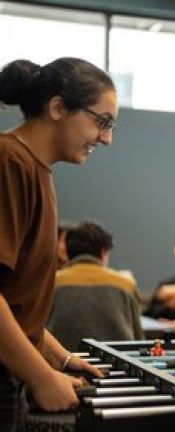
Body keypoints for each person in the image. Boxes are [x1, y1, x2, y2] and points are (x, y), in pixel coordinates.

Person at [0, 57, 113, 429]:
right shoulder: (9, 161)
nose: (107, 138)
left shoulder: (36, 169)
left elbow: (16, 299)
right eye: (102, 122)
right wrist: (42, 377)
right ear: (58, 107)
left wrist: (58, 356)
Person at [48, 220, 143, 351]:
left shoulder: (52, 283)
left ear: (68, 251)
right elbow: (138, 340)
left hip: (62, 366)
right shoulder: (126, 284)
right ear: (104, 252)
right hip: (117, 366)